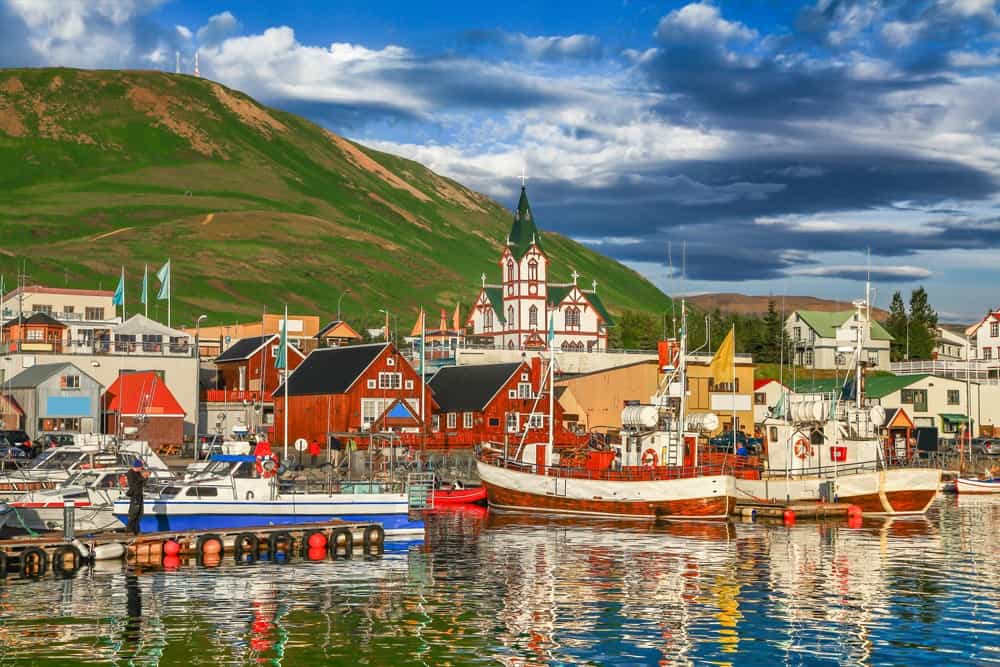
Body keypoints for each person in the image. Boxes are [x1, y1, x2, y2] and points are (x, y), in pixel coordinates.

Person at [125, 459, 149, 535]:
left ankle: (136, 530)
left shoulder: (138, 473)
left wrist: (145, 477)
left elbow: (143, 484)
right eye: (141, 467)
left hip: (139, 495)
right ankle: (129, 530)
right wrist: (142, 477)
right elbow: (133, 485)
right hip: (135, 495)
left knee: (139, 514)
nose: (141, 469)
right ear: (137, 467)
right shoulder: (130, 473)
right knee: (133, 513)